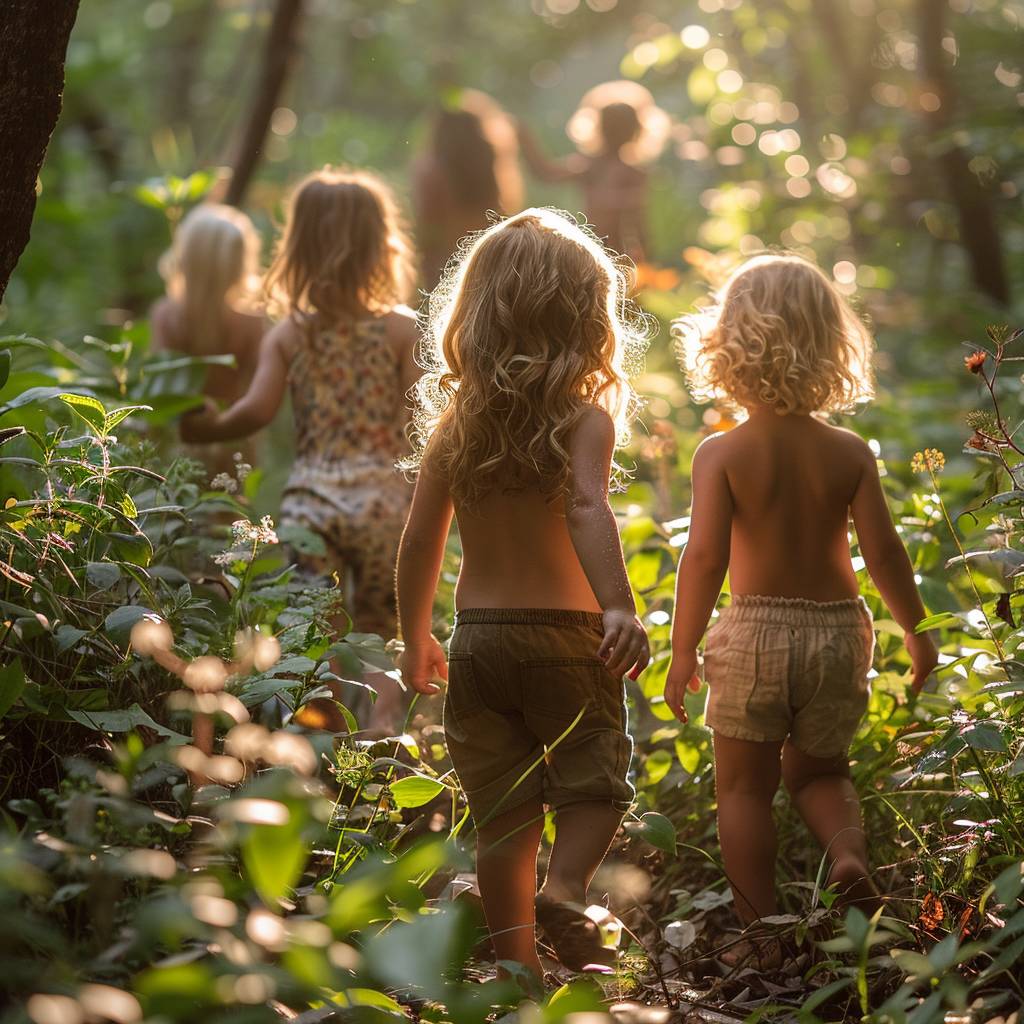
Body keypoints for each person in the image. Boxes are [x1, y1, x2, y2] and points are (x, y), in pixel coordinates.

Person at [396, 208, 651, 983]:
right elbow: (586, 507)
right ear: (586, 317)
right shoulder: (584, 419)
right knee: (597, 779)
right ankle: (567, 890)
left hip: (477, 637)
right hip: (567, 636)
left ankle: (516, 966)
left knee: (503, 816)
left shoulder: (457, 424)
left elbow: (419, 540)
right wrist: (619, 606)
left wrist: (415, 636)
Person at [665, 253, 939, 967]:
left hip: (754, 632)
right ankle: (846, 856)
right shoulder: (848, 452)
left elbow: (703, 560)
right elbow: (884, 555)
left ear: (727, 344)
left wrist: (682, 647)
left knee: (743, 789)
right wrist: (916, 630)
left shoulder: (722, 454)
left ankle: (760, 937)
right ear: (830, 345)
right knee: (821, 771)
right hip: (836, 636)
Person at [181, 168, 418, 735]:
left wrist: (207, 427)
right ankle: (385, 723)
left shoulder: (290, 333)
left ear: (298, 250)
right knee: (381, 626)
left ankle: (324, 737)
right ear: (381, 247)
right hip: (385, 505)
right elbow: (422, 420)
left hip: (312, 506)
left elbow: (256, 411)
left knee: (319, 628)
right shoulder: (402, 330)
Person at [152, 203, 265, 477]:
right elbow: (257, 395)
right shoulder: (252, 323)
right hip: (233, 439)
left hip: (180, 440)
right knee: (229, 515)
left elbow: (159, 389)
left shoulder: (167, 315)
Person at [516, 80, 670, 265]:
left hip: (608, 256)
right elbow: (545, 173)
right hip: (596, 254)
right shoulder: (594, 167)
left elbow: (545, 173)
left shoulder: (603, 169)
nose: (616, 132)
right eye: (613, 126)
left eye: (621, 127)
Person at [411, 89, 523, 289]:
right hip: (487, 256)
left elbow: (426, 220)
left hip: (442, 261)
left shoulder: (430, 169)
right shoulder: (487, 164)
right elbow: (501, 211)